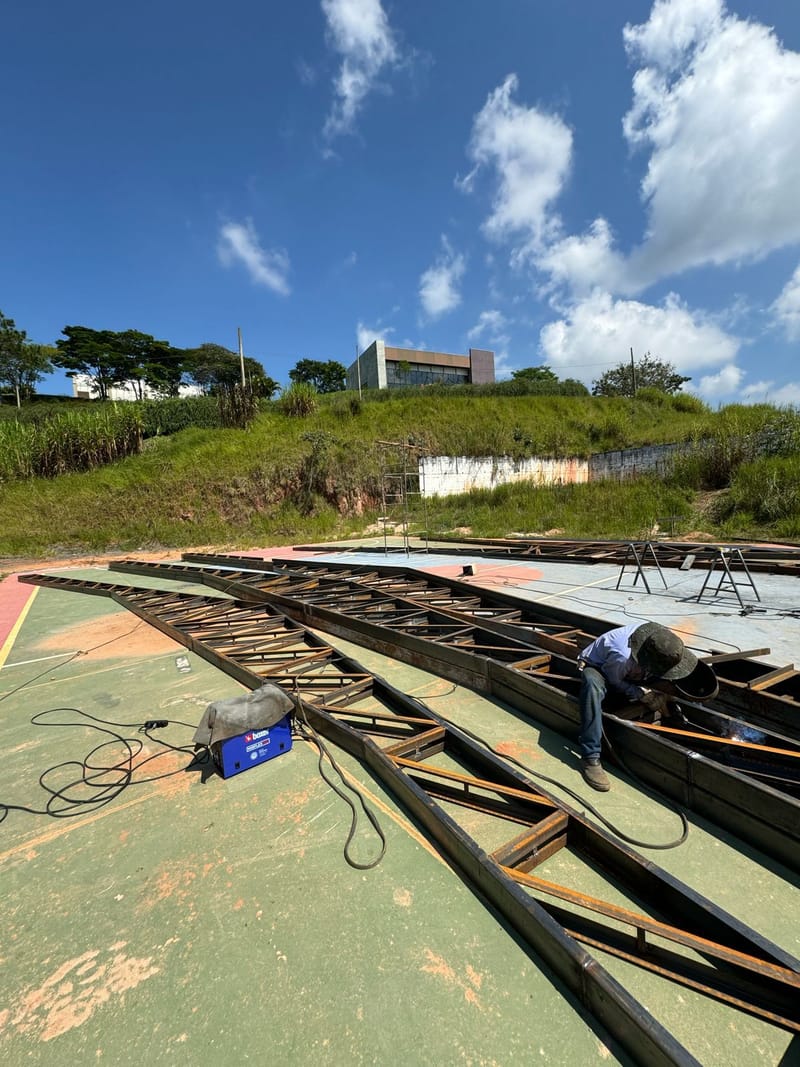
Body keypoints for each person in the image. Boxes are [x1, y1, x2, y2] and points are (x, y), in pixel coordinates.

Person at [577, 622, 697, 792]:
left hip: (636, 669)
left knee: (670, 680)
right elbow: (614, 680)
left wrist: (664, 694)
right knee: (592, 689)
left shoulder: (662, 641)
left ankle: (674, 714)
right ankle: (590, 756)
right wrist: (640, 694)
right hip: (601, 668)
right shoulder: (621, 656)